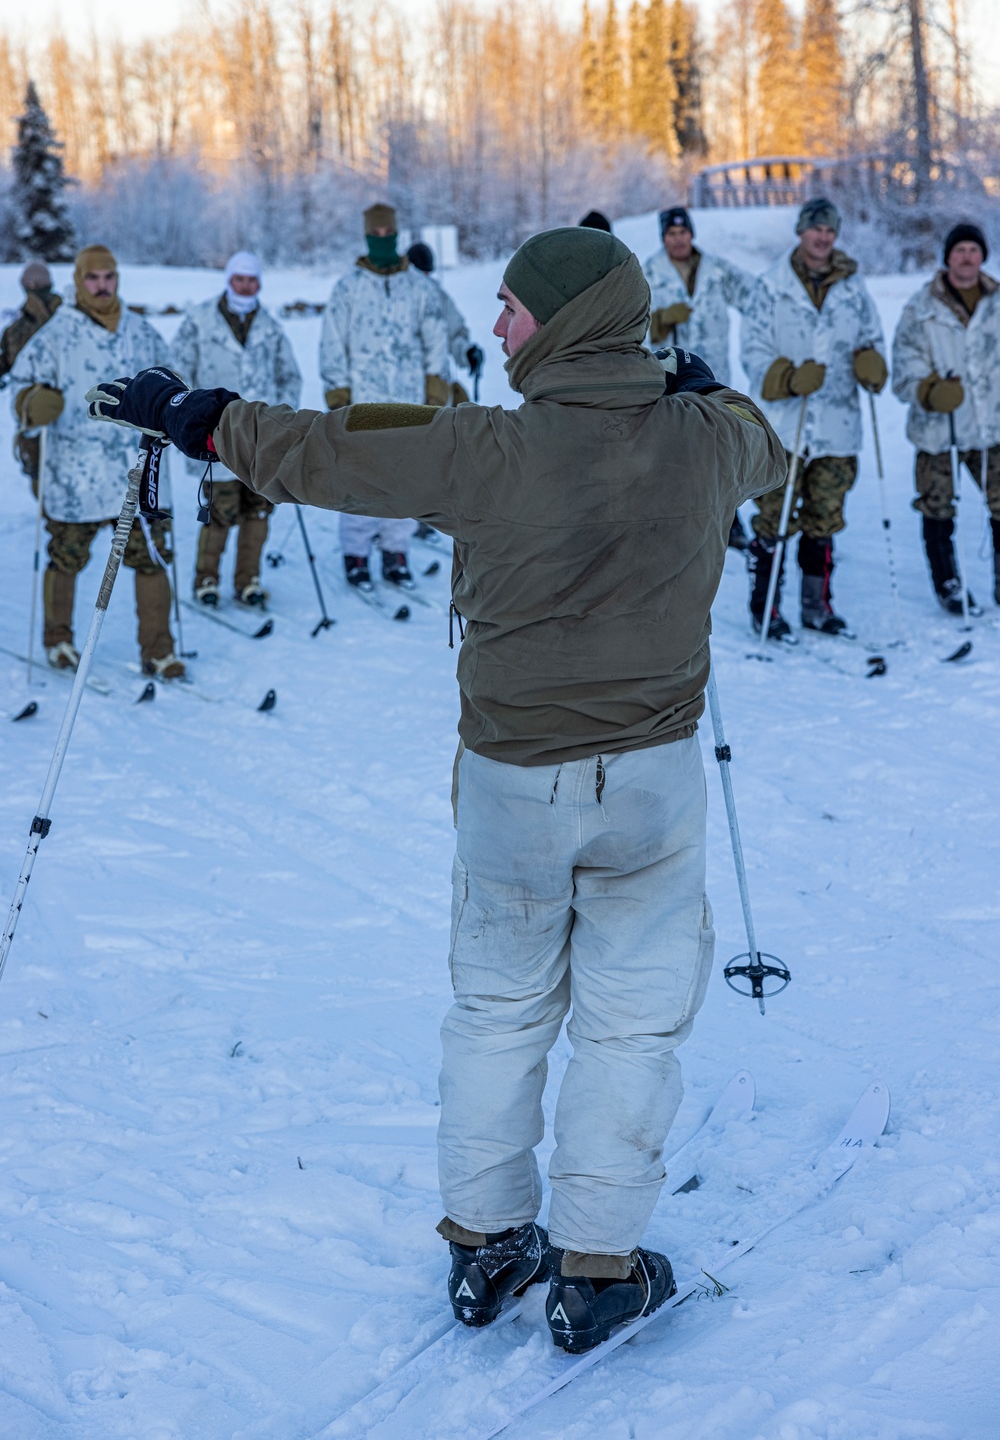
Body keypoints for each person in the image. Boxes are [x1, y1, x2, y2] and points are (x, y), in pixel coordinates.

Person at [89, 226, 786, 1353]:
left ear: (560, 322)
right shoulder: (704, 436)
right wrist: (695, 384)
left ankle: (485, 1237)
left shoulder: (485, 448)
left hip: (514, 784)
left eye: (513, 308)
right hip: (651, 785)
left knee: (499, 1011)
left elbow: (331, 450)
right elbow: (761, 438)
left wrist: (200, 417)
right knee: (629, 1025)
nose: (497, 325)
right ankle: (598, 1264)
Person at [10, 244, 183, 678]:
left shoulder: (142, 333)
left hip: (138, 469)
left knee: (152, 559)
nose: (101, 286)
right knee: (66, 558)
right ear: (78, 281)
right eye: (92, 278)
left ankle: (159, 651)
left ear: (117, 279)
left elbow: (173, 381)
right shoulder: (54, 335)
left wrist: (175, 409)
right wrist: (33, 403)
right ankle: (59, 640)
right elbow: (21, 387)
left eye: (108, 277)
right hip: (75, 473)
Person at [741, 196, 887, 638]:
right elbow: (752, 351)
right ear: (801, 232)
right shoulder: (770, 285)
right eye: (815, 228)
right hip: (784, 426)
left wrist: (872, 364)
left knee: (824, 517)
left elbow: (872, 338)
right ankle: (765, 606)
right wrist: (786, 376)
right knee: (775, 517)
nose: (823, 237)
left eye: (830, 229)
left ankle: (816, 605)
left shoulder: (853, 288)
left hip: (837, 425)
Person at [319, 203, 449, 590]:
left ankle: (396, 551)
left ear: (397, 236)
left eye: (387, 235)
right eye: (374, 235)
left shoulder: (419, 287)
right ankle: (356, 553)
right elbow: (331, 342)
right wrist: (337, 390)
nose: (381, 241)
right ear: (365, 236)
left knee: (405, 479)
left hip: (410, 403)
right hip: (363, 402)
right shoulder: (348, 287)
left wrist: (435, 385)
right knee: (361, 478)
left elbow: (435, 339)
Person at [169, 251, 302, 608]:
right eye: (239, 279)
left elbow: (290, 376)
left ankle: (248, 579)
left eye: (252, 280)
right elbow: (177, 372)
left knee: (258, 508)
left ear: (259, 283)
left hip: (263, 437)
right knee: (219, 510)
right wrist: (188, 417)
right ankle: (206, 578)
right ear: (228, 281)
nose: (245, 286)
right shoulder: (199, 322)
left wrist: (284, 420)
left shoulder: (271, 328)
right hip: (217, 433)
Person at [891, 221, 999, 611]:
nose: (967, 257)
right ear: (947, 258)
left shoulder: (998, 301)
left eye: (973, 250)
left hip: (992, 426)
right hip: (939, 426)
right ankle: (948, 584)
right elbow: (902, 366)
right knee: (937, 505)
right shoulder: (921, 307)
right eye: (959, 251)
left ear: (983, 256)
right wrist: (927, 389)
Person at [643, 207, 757, 550]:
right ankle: (679, 521)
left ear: (692, 234)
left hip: (713, 376)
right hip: (671, 378)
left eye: (683, 233)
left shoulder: (717, 270)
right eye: (671, 235)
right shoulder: (648, 272)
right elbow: (629, 322)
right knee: (676, 448)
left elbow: (758, 296)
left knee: (721, 447)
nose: (678, 240)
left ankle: (731, 520)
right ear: (664, 238)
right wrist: (660, 318)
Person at [2, 261, 62, 492]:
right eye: (30, 283)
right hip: (32, 420)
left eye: (40, 282)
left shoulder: (68, 319)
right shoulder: (14, 330)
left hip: (71, 414)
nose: (35, 286)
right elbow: (6, 362)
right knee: (42, 488)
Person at [406, 241, 484, 406]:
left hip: (436, 390)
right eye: (420, 272)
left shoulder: (437, 296)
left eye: (427, 273)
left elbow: (454, 334)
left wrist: (467, 352)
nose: (423, 278)